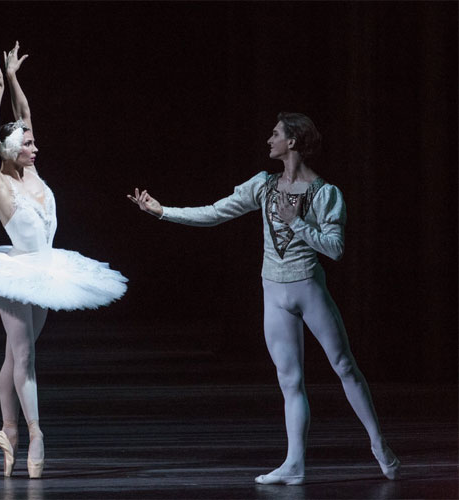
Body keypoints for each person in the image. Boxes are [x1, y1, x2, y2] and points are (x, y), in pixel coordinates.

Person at [127, 112, 400, 485]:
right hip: (273, 292)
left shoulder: (325, 193)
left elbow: (335, 249)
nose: (268, 140)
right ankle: (294, 464)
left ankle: (378, 444)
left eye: (275, 134)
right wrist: (163, 212)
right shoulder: (263, 185)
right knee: (289, 381)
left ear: (292, 142)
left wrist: (296, 222)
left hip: (308, 288)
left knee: (344, 366)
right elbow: (216, 212)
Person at [0, 42, 127, 478]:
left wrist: (15, 78)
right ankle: (36, 433)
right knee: (25, 357)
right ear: (12, 148)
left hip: (48, 269)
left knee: (15, 357)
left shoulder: (33, 173)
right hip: (16, 273)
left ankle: (7, 431)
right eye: (29, 142)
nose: (36, 146)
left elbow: (27, 113)